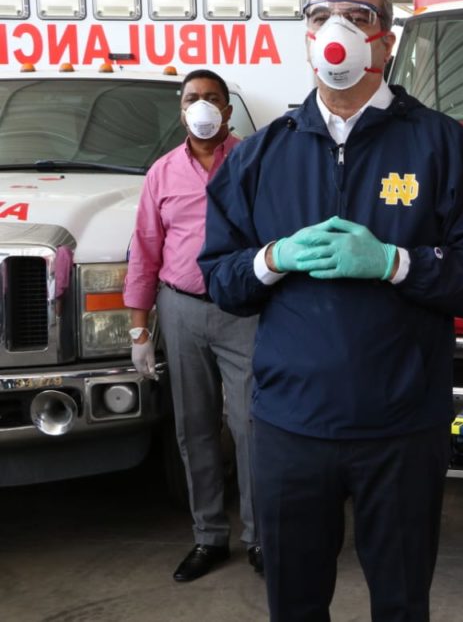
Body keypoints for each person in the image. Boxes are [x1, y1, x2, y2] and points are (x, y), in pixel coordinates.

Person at [197, 0, 463, 622]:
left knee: (400, 601)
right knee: (295, 600)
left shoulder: (442, 147)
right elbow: (220, 280)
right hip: (289, 427)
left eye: (357, 16)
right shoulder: (260, 158)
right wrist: (269, 260)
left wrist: (398, 262)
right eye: (318, 16)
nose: (334, 28)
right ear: (306, 38)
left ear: (385, 42)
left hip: (401, 427)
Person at [124, 69, 261, 582]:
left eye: (212, 99)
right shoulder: (161, 172)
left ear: (228, 110)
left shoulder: (254, 160)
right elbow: (145, 249)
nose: (202, 106)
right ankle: (208, 537)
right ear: (181, 110)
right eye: (192, 99)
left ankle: (261, 537)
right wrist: (139, 329)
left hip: (244, 310)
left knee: (253, 426)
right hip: (180, 309)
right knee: (195, 428)